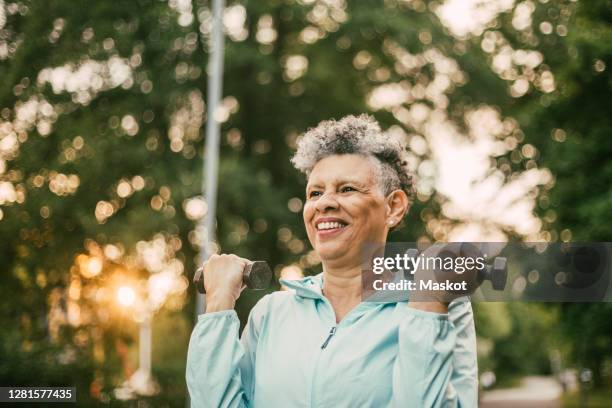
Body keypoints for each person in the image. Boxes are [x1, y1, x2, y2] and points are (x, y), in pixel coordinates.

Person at [186, 115, 478, 407]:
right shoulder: (271, 315)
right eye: (315, 192)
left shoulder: (438, 306)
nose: (323, 203)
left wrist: (427, 306)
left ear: (393, 206)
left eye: (347, 189)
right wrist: (218, 305)